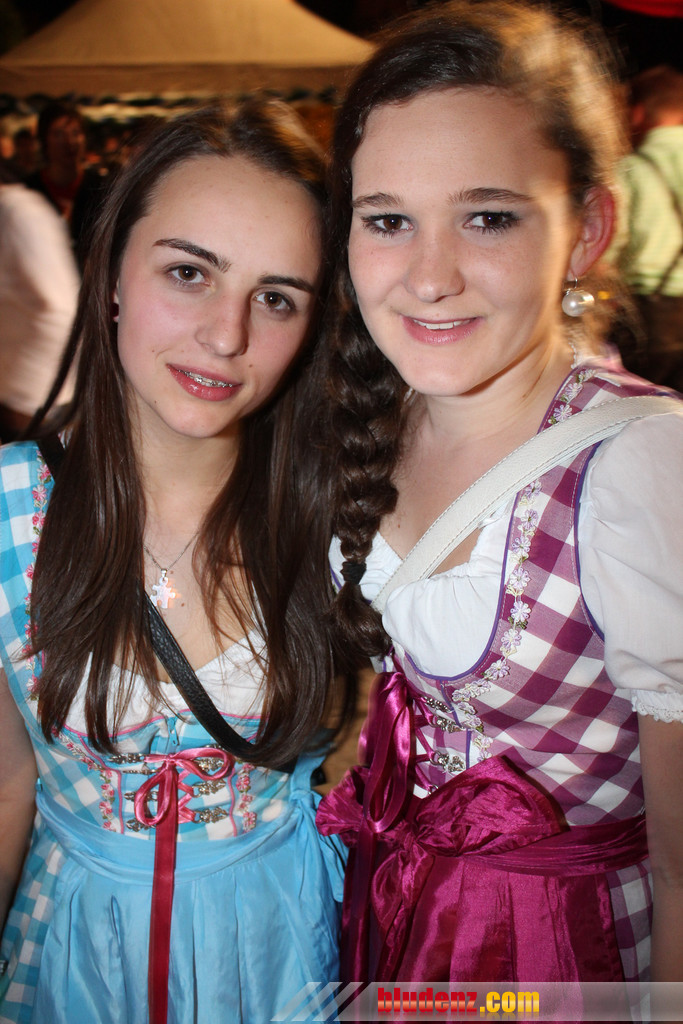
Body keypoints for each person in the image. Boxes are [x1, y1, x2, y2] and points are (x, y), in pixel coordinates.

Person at [316, 0, 683, 993]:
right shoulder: (376, 416)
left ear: (586, 229)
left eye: (486, 217)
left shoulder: (638, 466)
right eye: (387, 220)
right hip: (400, 927)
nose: (429, 276)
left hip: (563, 964)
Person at [0, 98, 349, 1024]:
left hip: (284, 956)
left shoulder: (342, 519)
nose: (226, 336)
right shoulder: (7, 507)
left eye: (276, 298)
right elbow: (5, 783)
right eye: (189, 272)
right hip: (73, 960)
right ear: (111, 271)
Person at [609, 65, 683, 391]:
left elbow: (611, 243)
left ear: (636, 113)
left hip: (650, 317)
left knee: (640, 407)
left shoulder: (632, 170)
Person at [0, 163, 79, 442]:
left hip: (38, 404)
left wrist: (27, 397)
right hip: (18, 399)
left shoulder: (20, 212)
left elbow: (61, 311)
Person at [24, 102, 110, 267]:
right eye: (58, 134)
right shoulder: (30, 191)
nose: (69, 141)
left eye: (75, 133)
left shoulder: (101, 187)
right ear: (44, 141)